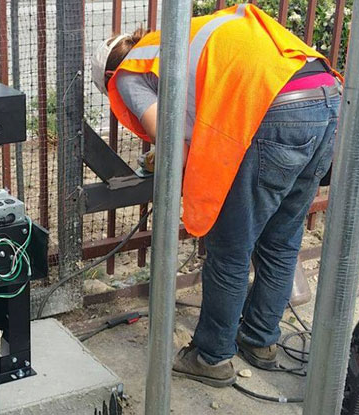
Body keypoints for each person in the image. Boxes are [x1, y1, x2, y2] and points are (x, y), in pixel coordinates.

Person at [91, 4, 341, 387]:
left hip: (274, 111)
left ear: (110, 73)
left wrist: (160, 159)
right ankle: (259, 341)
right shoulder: (171, 43)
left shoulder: (129, 73)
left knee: (229, 248)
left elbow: (173, 141)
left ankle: (211, 357)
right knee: (281, 239)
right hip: (324, 96)